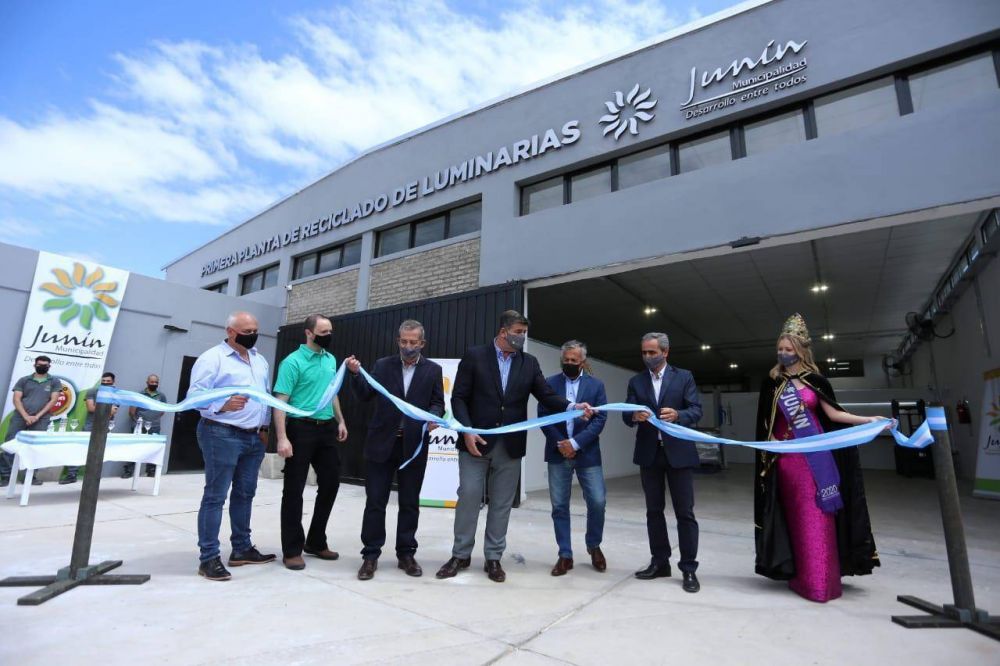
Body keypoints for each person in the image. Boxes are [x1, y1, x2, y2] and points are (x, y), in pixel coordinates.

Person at [436, 310, 594, 583]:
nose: (522, 336)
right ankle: (460, 554)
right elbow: (459, 397)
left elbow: (546, 394)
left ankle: (493, 558)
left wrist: (572, 407)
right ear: (503, 332)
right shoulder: (475, 356)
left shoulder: (529, 363)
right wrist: (468, 430)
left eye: (524, 332)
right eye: (518, 332)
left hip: (510, 446)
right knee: (469, 498)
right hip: (475, 442)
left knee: (502, 504)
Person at [754, 313, 886, 602]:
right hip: (787, 461)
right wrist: (773, 443)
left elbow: (834, 414)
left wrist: (867, 420)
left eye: (789, 349)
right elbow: (765, 422)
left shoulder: (817, 381)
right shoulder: (772, 382)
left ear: (801, 350)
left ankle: (821, 580)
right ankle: (799, 574)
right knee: (795, 517)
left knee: (820, 514)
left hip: (816, 459)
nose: (783, 354)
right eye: (780, 349)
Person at [346, 319, 445, 580]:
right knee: (375, 502)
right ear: (398, 341)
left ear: (422, 343)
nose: (408, 346)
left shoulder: (433, 370)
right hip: (381, 444)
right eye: (404, 341)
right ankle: (370, 555)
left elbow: (438, 402)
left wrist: (434, 416)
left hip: (413, 445)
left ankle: (406, 554)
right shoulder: (382, 365)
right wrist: (356, 374)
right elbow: (366, 394)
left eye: (413, 342)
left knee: (409, 503)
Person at [189, 311, 275, 581]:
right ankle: (208, 558)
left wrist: (264, 427)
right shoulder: (212, 359)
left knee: (245, 494)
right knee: (216, 496)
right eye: (246, 331)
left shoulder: (259, 360)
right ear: (230, 331)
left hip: (253, 437)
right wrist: (220, 405)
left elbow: (265, 396)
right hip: (221, 434)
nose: (252, 335)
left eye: (255, 330)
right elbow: (194, 397)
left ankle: (241, 548)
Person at [623, 332, 703, 593]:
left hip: (679, 453)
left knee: (685, 513)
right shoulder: (636, 381)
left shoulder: (684, 377)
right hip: (649, 454)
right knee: (653, 512)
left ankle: (689, 568)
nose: (647, 357)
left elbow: (696, 410)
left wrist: (678, 414)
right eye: (644, 352)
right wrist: (633, 415)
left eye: (652, 352)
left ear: (665, 352)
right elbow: (625, 415)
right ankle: (660, 563)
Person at [273, 314, 348, 571]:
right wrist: (282, 438)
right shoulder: (292, 363)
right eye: (324, 331)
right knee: (294, 490)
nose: (329, 335)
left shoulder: (330, 360)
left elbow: (332, 392)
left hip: (326, 428)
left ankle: (316, 540)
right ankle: (292, 549)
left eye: (331, 331)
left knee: (331, 483)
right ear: (309, 333)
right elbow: (279, 402)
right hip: (300, 429)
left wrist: (340, 420)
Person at [538, 340, 608, 576]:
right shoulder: (549, 383)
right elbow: (542, 416)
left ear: (582, 362)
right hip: (558, 452)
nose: (569, 363)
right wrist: (562, 444)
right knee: (559, 506)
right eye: (566, 360)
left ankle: (594, 545)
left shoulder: (596, 386)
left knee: (597, 502)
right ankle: (565, 554)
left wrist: (576, 443)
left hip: (587, 453)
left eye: (574, 361)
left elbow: (600, 419)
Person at [1, 355, 61, 486]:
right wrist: (26, 416)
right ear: (34, 365)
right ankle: (5, 475)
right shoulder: (24, 380)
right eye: (39, 365)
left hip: (42, 418)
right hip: (20, 417)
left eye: (45, 365)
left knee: (36, 448)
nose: (42, 367)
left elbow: (53, 400)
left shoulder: (54, 382)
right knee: (10, 444)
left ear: (49, 366)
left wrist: (37, 416)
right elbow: (16, 399)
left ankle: (31, 476)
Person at [61, 371, 118, 484]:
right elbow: (90, 408)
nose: (105, 383)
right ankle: (72, 475)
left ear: (113, 382)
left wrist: (101, 407)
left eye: (108, 381)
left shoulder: (116, 394)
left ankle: (93, 476)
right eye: (103, 381)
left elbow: (112, 412)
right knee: (79, 450)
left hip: (105, 427)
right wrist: (107, 408)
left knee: (99, 453)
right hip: (89, 426)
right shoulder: (92, 391)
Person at [123, 374, 168, 478]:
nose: (154, 384)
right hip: (139, 425)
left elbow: (163, 410)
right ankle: (129, 470)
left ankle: (151, 470)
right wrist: (138, 421)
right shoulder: (139, 395)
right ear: (147, 382)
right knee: (134, 448)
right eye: (152, 382)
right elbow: (132, 411)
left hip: (154, 426)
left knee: (153, 448)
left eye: (156, 382)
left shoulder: (161, 396)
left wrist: (153, 418)